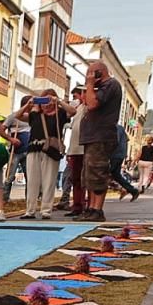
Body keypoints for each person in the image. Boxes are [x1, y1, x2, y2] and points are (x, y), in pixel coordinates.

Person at [8, 90, 72, 219]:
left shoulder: (60, 114)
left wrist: (58, 101)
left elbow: (73, 111)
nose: (46, 104)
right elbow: (18, 116)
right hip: (33, 148)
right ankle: (30, 210)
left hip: (51, 149)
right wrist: (29, 104)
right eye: (43, 101)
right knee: (32, 180)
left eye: (48, 101)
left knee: (49, 180)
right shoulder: (35, 114)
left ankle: (46, 209)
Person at [78, 60, 123, 223]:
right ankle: (91, 208)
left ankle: (97, 209)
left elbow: (92, 104)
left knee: (97, 172)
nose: (88, 77)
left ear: (99, 72)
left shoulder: (111, 85)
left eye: (91, 73)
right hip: (93, 136)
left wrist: (90, 85)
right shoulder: (102, 87)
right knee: (89, 175)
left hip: (101, 136)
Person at [62, 88, 86, 216]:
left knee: (83, 179)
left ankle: (82, 204)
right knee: (75, 178)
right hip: (75, 148)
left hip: (83, 149)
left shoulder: (87, 107)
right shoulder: (78, 108)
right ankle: (77, 206)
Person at [2, 96, 32, 192]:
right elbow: (1, 130)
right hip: (15, 152)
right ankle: (5, 197)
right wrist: (11, 139)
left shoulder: (33, 117)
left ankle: (29, 199)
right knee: (10, 176)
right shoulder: (14, 116)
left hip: (28, 151)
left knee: (30, 176)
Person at [110, 123, 138, 201]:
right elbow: (126, 139)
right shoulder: (120, 128)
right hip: (120, 154)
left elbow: (115, 141)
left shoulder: (115, 128)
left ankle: (123, 189)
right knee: (116, 175)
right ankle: (132, 190)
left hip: (115, 154)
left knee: (106, 174)